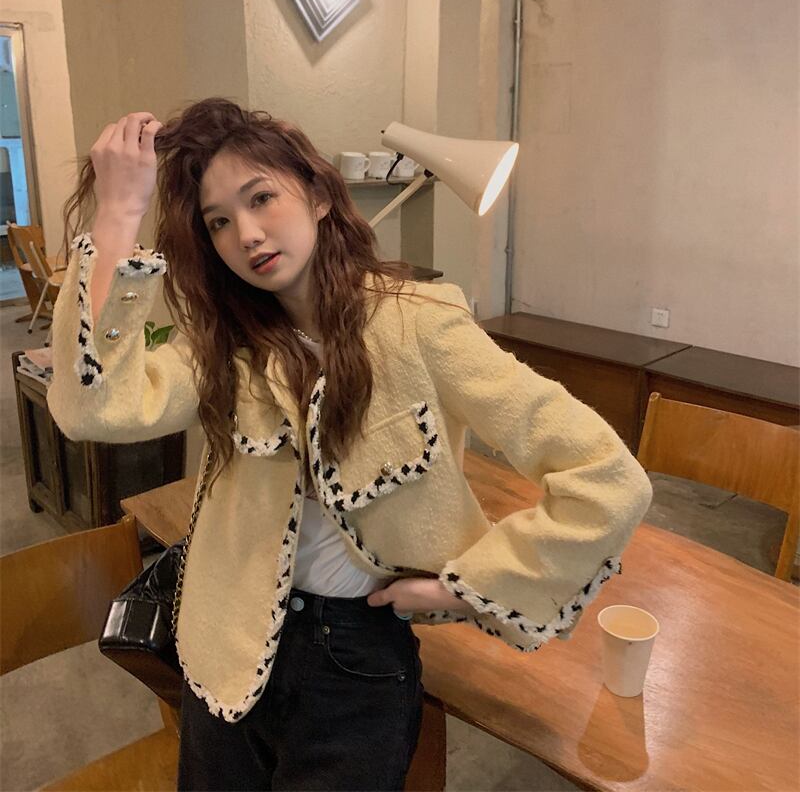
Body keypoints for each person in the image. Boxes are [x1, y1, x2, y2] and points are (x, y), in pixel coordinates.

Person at [48, 98, 653, 791]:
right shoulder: (228, 352)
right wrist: (120, 212)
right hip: (225, 645)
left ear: (318, 196)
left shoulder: (418, 325)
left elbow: (606, 477)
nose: (247, 234)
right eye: (219, 222)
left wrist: (474, 588)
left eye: (262, 198)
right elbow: (89, 407)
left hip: (356, 664)